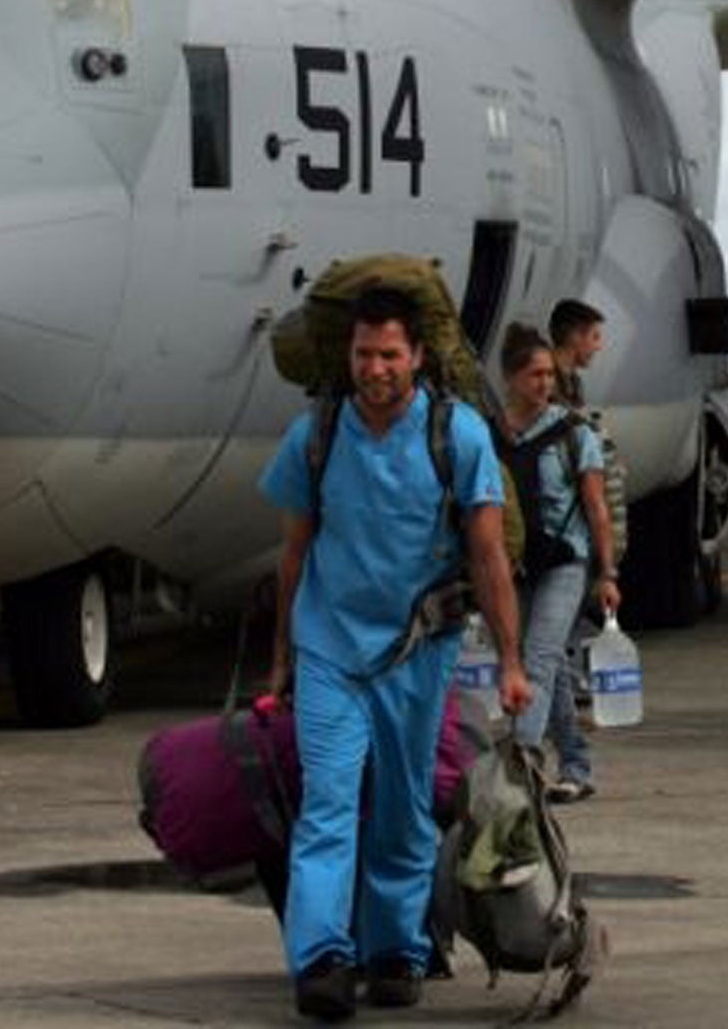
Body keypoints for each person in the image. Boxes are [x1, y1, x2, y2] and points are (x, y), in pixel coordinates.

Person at [260, 288, 531, 1022]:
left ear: (416, 357)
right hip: (331, 652)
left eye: (388, 355)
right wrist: (281, 656)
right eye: (362, 355)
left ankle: (395, 951)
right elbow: (293, 554)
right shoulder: (315, 436)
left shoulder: (457, 434)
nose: (374, 369)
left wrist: (511, 661)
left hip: (418, 654)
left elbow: (487, 555)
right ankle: (320, 957)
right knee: (328, 803)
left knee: (405, 812)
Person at [493, 323, 622, 799]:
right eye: (534, 375)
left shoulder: (574, 434)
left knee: (539, 659)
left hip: (567, 560)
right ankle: (576, 765)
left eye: (549, 374)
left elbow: (596, 508)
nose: (545, 383)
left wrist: (607, 572)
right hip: (517, 564)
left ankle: (520, 762)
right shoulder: (491, 435)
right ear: (510, 378)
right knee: (552, 669)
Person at [546, 298, 606, 410]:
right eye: (595, 337)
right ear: (575, 336)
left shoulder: (575, 383)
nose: (599, 347)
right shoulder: (542, 381)